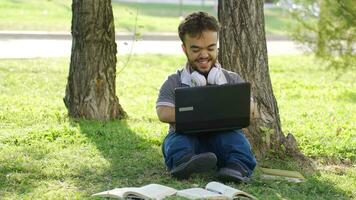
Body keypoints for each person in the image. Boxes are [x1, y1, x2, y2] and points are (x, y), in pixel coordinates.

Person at [156, 11, 257, 182]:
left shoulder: (232, 78)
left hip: (223, 138)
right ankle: (182, 163)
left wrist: (201, 112)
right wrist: (209, 112)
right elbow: (163, 112)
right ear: (184, 48)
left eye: (210, 48)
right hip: (187, 138)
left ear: (217, 46)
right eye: (196, 49)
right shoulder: (174, 81)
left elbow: (251, 110)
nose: (204, 55)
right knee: (175, 141)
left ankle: (237, 168)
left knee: (235, 139)